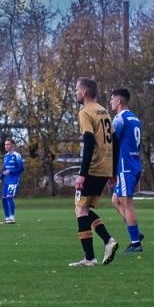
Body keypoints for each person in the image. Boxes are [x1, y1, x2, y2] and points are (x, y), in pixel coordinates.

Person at [69, 77, 118, 267]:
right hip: (105, 167)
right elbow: (114, 140)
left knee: (80, 209)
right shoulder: (104, 111)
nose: (75, 92)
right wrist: (112, 170)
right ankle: (104, 245)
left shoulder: (85, 112)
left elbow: (89, 143)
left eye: (76, 89)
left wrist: (82, 173)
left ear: (84, 92)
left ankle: (94, 254)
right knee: (83, 209)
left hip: (93, 167)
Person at [108, 88, 145, 253]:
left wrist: (110, 169)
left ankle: (135, 243)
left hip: (125, 166)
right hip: (134, 163)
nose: (110, 102)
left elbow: (111, 141)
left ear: (119, 101)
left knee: (126, 204)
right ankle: (135, 230)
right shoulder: (135, 118)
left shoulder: (120, 118)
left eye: (112, 99)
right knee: (115, 201)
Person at [0, 137, 25, 224]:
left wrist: (11, 171)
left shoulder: (17, 155)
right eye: (5, 144)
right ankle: (7, 218)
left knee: (9, 197)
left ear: (12, 145)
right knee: (3, 199)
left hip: (14, 179)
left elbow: (21, 169)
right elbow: (4, 168)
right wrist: (0, 178)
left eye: (8, 144)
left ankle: (12, 218)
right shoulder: (6, 156)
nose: (6, 146)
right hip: (6, 180)